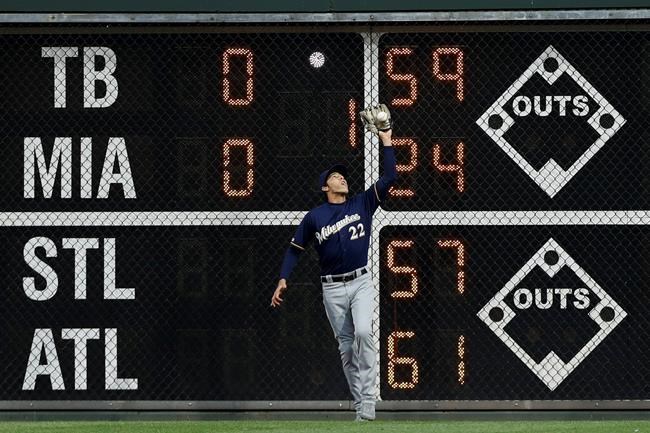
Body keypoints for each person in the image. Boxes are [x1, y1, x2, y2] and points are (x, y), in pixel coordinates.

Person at [271, 122, 396, 422]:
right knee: (347, 348)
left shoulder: (362, 203)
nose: (341, 178)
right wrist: (283, 278)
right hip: (332, 289)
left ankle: (367, 402)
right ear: (325, 187)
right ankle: (360, 405)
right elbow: (294, 250)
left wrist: (387, 140)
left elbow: (390, 176)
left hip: (360, 281)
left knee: (365, 333)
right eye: (335, 177)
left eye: (342, 176)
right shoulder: (315, 216)